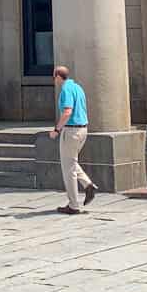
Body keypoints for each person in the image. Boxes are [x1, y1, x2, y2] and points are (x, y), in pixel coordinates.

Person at [48, 64, 98, 215]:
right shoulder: (78, 88)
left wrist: (57, 130)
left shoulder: (65, 90)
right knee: (72, 163)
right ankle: (88, 185)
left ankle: (74, 205)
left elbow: (68, 111)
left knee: (68, 168)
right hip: (83, 130)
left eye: (53, 76)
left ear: (58, 76)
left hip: (71, 130)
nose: (53, 79)